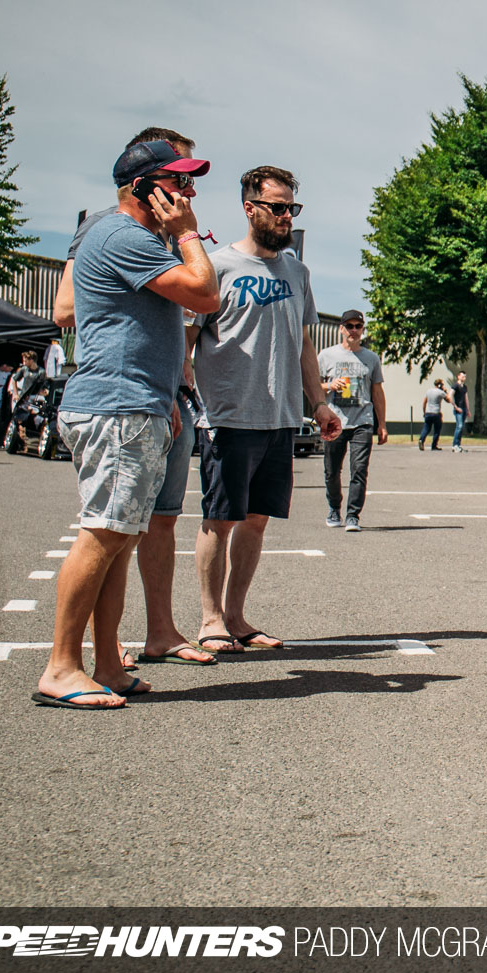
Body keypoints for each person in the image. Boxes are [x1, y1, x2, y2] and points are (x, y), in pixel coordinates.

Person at [36, 139, 219, 708]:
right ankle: (62, 667)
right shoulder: (124, 236)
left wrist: (163, 393)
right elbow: (205, 293)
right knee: (105, 533)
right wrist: (188, 233)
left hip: (134, 404)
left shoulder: (133, 239)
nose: (187, 192)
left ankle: (109, 662)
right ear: (141, 187)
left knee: (119, 537)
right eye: (177, 181)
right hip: (117, 406)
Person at [188, 165, 341, 655]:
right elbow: (187, 341)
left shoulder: (297, 270)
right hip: (228, 416)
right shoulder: (215, 266)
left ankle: (235, 617)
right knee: (220, 518)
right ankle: (210, 618)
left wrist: (317, 403)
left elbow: (304, 348)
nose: (285, 217)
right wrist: (184, 398)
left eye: (291, 209)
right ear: (249, 207)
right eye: (277, 207)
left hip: (279, 418)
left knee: (256, 521)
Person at [318, 308, 386, 532]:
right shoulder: (326, 356)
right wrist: (328, 385)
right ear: (341, 329)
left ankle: (353, 515)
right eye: (350, 326)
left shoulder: (371, 358)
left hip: (363, 422)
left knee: (359, 469)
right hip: (334, 421)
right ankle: (334, 509)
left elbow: (377, 392)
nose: (354, 330)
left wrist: (382, 424)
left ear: (362, 330)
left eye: (358, 326)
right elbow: (311, 385)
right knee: (331, 470)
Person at [419, 379, 446, 451]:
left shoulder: (428, 391)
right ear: (440, 385)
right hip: (436, 413)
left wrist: (424, 412)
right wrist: (445, 391)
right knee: (437, 429)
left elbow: (424, 402)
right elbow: (448, 400)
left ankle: (421, 440)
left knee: (426, 428)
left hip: (428, 412)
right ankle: (434, 445)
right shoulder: (441, 392)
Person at [450, 370, 468, 452]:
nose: (464, 377)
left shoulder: (464, 387)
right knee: (459, 426)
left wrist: (468, 409)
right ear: (458, 376)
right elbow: (450, 395)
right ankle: (455, 444)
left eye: (465, 376)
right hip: (458, 409)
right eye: (462, 376)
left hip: (463, 408)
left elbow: (466, 398)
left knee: (461, 427)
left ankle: (458, 444)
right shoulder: (455, 386)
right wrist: (455, 407)